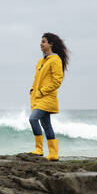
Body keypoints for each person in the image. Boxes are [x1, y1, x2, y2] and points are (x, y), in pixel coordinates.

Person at [28, 33, 69, 161]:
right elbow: (37, 79)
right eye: (41, 41)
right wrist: (33, 90)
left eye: (44, 41)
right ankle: (53, 154)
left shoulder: (55, 60)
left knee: (33, 119)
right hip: (38, 97)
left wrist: (42, 91)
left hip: (47, 97)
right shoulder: (41, 61)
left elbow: (57, 81)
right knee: (46, 125)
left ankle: (39, 149)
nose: (41, 44)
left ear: (51, 44)